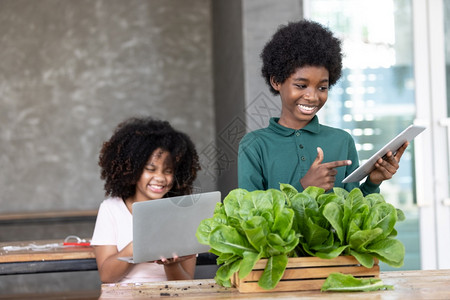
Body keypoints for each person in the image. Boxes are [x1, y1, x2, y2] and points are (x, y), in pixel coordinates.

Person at [238, 19, 408, 195]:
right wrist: (304, 186)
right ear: (276, 81)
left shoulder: (342, 141)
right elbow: (250, 217)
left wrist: (373, 182)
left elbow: (353, 214)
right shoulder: (255, 145)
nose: (312, 97)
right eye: (301, 85)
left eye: (322, 88)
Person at [91, 116, 201, 283]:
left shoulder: (182, 212)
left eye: (168, 171)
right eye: (150, 169)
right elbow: (106, 277)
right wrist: (136, 248)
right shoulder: (111, 209)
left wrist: (171, 266)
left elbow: (186, 283)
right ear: (131, 170)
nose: (160, 178)